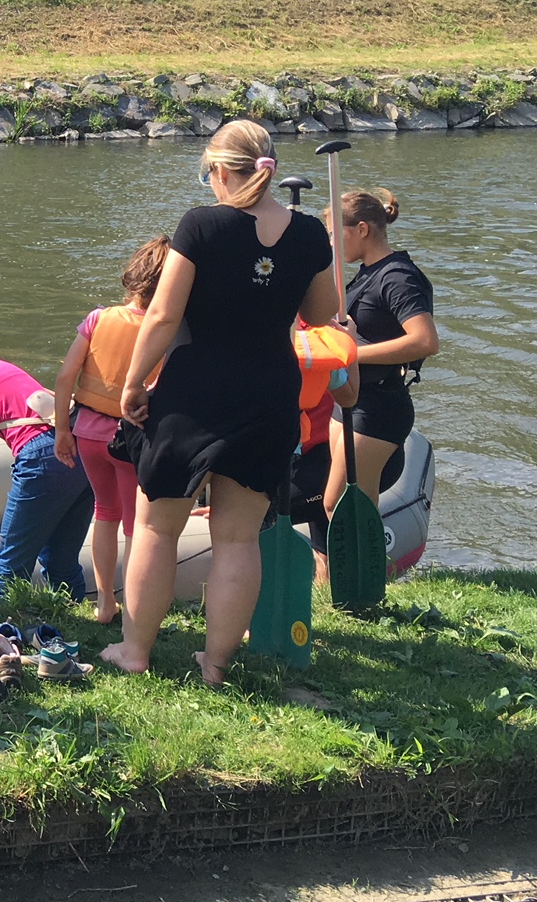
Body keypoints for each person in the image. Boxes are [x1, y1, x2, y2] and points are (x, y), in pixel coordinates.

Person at [101, 122, 338, 684]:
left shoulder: (201, 225)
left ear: (220, 171)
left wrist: (133, 383)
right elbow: (322, 313)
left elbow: (163, 315)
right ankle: (215, 664)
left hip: (195, 390)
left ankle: (135, 652)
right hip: (270, 392)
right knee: (237, 538)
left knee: (157, 527)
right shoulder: (309, 232)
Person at [51, 237, 169, 623]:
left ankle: (104, 602)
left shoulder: (98, 318)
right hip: (133, 439)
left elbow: (65, 377)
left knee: (105, 512)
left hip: (87, 434)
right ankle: (136, 608)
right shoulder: (166, 330)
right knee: (137, 524)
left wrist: (63, 430)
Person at [325, 189, 437, 514]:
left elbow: (425, 341)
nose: (332, 243)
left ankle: (372, 551)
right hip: (352, 397)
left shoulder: (397, 277)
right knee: (344, 505)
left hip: (379, 407)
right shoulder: (368, 272)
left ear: (361, 229)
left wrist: (352, 353)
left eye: (335, 234)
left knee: (340, 505)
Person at [0, 358, 92, 611]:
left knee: (10, 562)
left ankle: (3, 625)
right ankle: (76, 619)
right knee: (61, 560)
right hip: (82, 451)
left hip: (41, 454)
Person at [289, 321, 362, 585]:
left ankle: (323, 570)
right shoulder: (317, 347)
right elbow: (350, 395)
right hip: (303, 459)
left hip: (304, 462)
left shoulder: (245, 345)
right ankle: (323, 570)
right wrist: (350, 344)